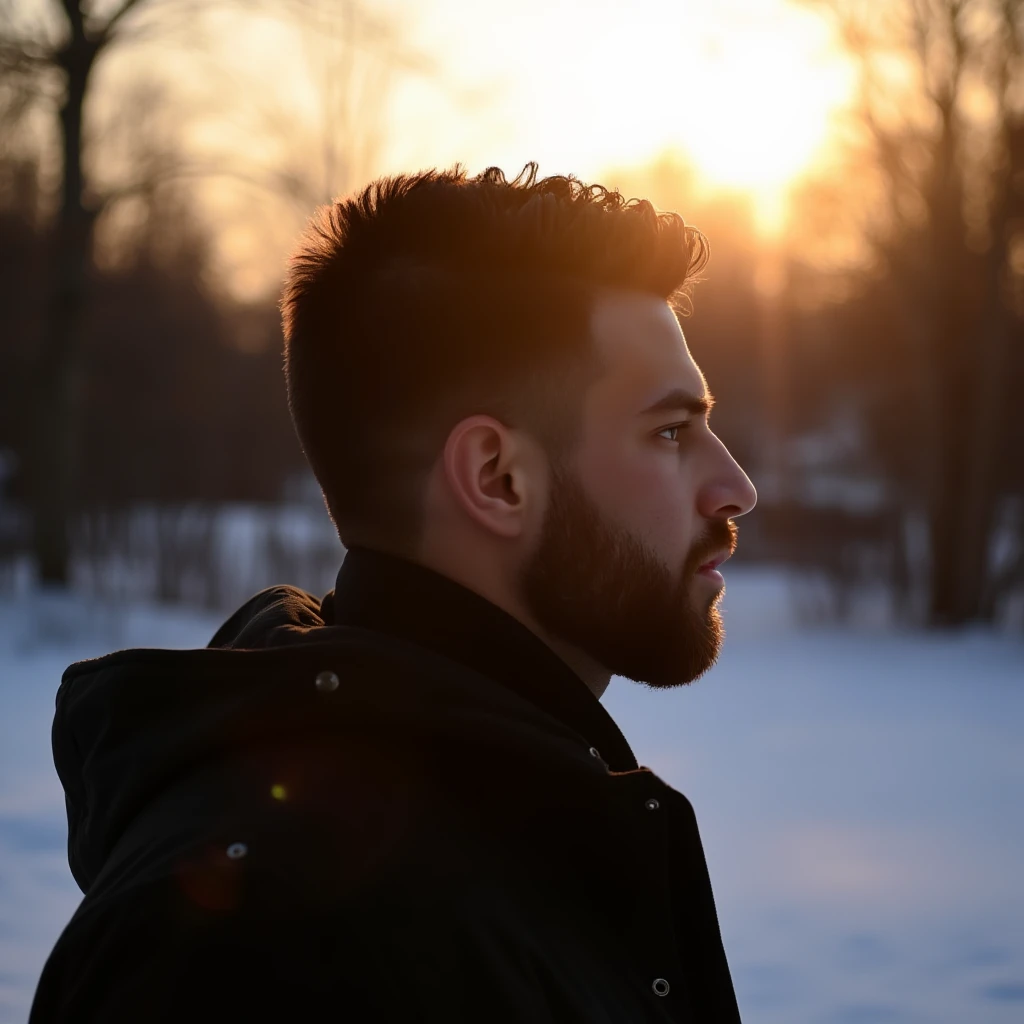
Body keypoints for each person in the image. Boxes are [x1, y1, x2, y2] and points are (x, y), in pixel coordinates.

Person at [31, 164, 757, 1023]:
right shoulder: (288, 947)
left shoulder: (515, 829)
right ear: (498, 477)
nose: (736, 486)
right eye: (670, 431)